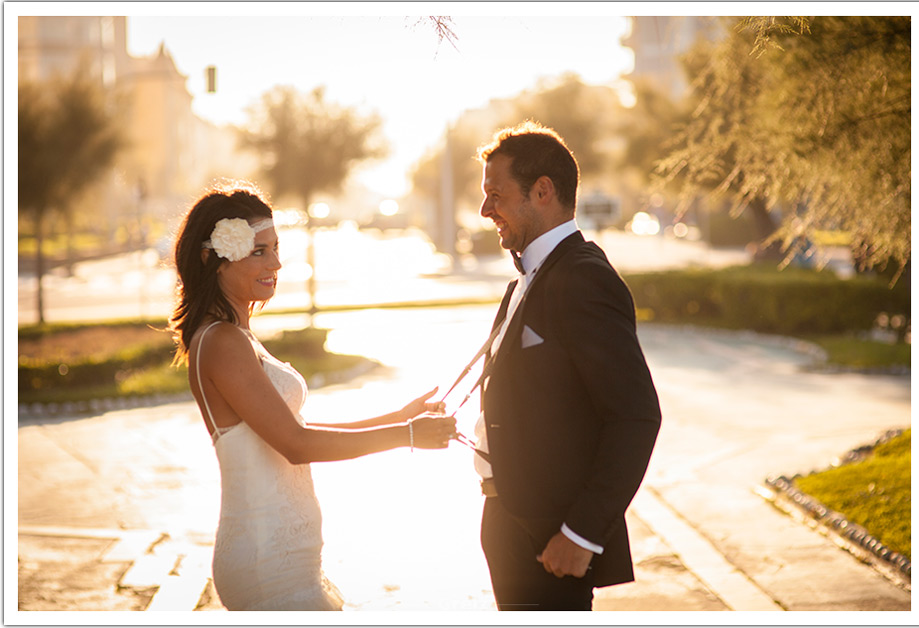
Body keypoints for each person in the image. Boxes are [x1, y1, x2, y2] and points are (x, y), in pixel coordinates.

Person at [169, 181, 457, 611]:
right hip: (267, 561)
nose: (277, 263)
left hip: (286, 558)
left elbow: (295, 432)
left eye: (276, 248)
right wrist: (407, 434)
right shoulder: (223, 341)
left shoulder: (238, 336)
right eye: (258, 252)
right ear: (214, 259)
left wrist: (398, 416)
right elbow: (297, 446)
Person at [471, 122, 661, 610]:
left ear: (542, 191)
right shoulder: (525, 281)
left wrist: (580, 534)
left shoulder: (584, 278)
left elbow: (636, 416)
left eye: (496, 193)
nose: (484, 208)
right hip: (510, 523)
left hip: (550, 537)